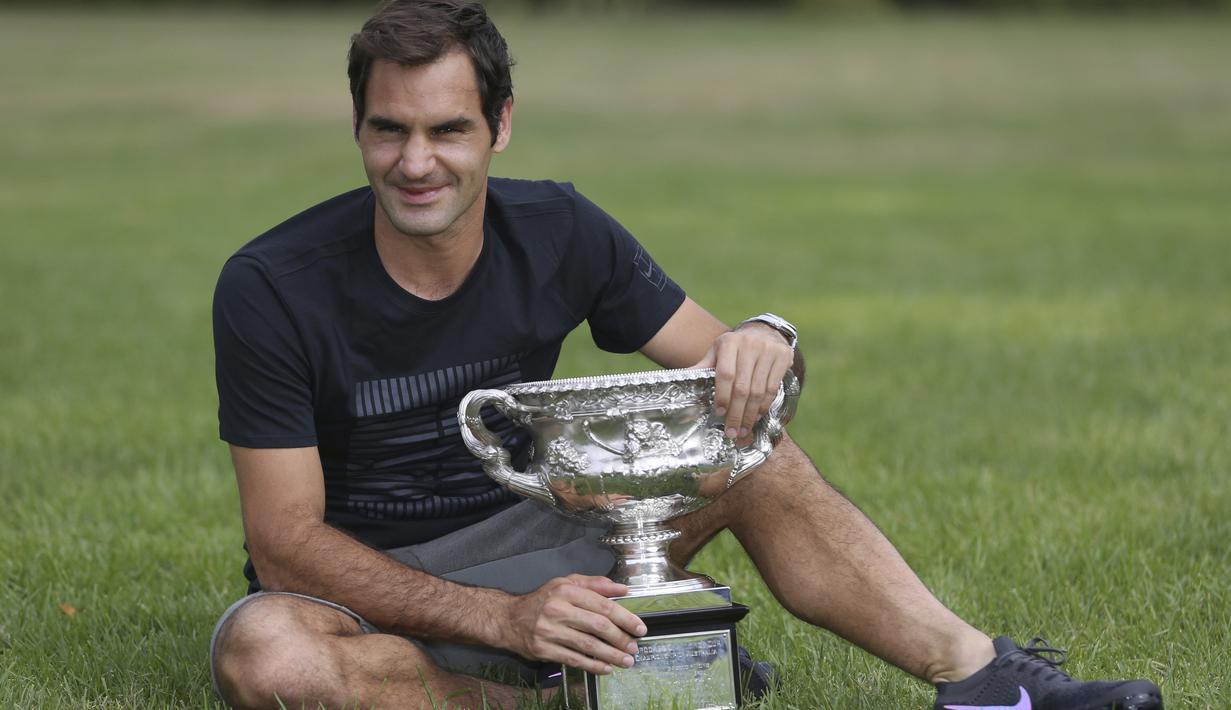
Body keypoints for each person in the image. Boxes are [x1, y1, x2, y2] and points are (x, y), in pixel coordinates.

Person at [208, 2, 1165, 708]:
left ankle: (984, 680)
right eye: (392, 130)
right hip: (365, 584)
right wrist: (502, 620)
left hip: (541, 543)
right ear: (358, 129)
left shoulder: (561, 229)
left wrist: (767, 341)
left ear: (498, 125)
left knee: (756, 459)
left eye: (448, 129)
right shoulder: (270, 286)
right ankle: (580, 686)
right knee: (271, 659)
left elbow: (739, 379)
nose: (417, 164)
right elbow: (284, 543)